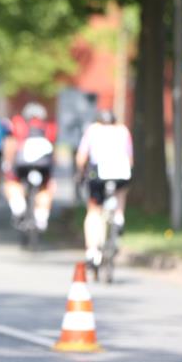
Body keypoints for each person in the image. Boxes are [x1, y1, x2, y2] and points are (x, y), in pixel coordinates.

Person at [75, 109, 133, 267]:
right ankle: (119, 216)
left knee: (94, 210)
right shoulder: (123, 130)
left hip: (99, 172)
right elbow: (130, 158)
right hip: (121, 171)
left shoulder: (93, 129)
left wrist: (80, 172)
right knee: (121, 191)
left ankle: (92, 252)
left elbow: (81, 157)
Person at [4, 102, 57, 232]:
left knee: (12, 182)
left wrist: (7, 164)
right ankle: (42, 216)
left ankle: (18, 206)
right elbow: (53, 149)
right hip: (43, 165)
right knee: (46, 187)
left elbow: (11, 144)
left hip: (22, 163)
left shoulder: (18, 123)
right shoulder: (49, 126)